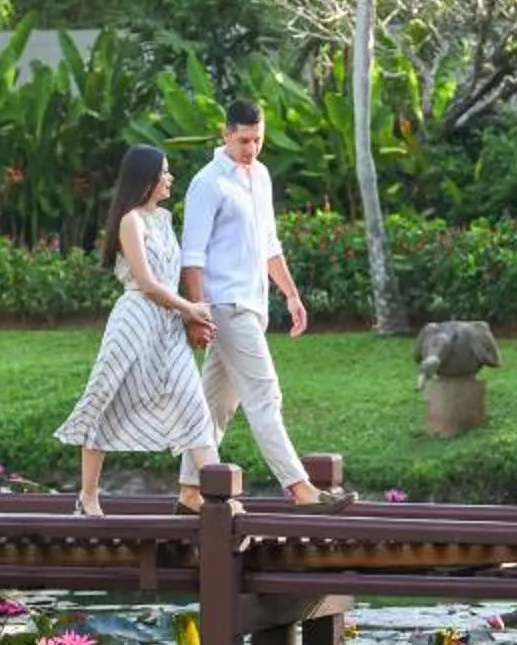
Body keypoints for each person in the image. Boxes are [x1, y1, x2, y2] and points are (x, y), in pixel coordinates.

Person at [176, 99, 351, 510]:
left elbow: (269, 244)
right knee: (264, 395)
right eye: (243, 140)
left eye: (257, 140)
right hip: (225, 305)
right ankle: (300, 488)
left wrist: (291, 293)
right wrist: (195, 313)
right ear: (225, 134)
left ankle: (189, 491)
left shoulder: (261, 175)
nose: (251, 148)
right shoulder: (207, 183)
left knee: (216, 404)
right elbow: (192, 256)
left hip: (253, 305)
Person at [55, 145, 220, 515]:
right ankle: (88, 497)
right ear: (146, 178)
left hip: (168, 325)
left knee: (194, 403)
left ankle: (220, 500)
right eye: (164, 171)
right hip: (135, 322)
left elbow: (170, 277)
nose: (169, 178)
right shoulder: (131, 221)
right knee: (106, 398)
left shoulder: (163, 218)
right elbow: (146, 283)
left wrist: (188, 316)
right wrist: (190, 308)